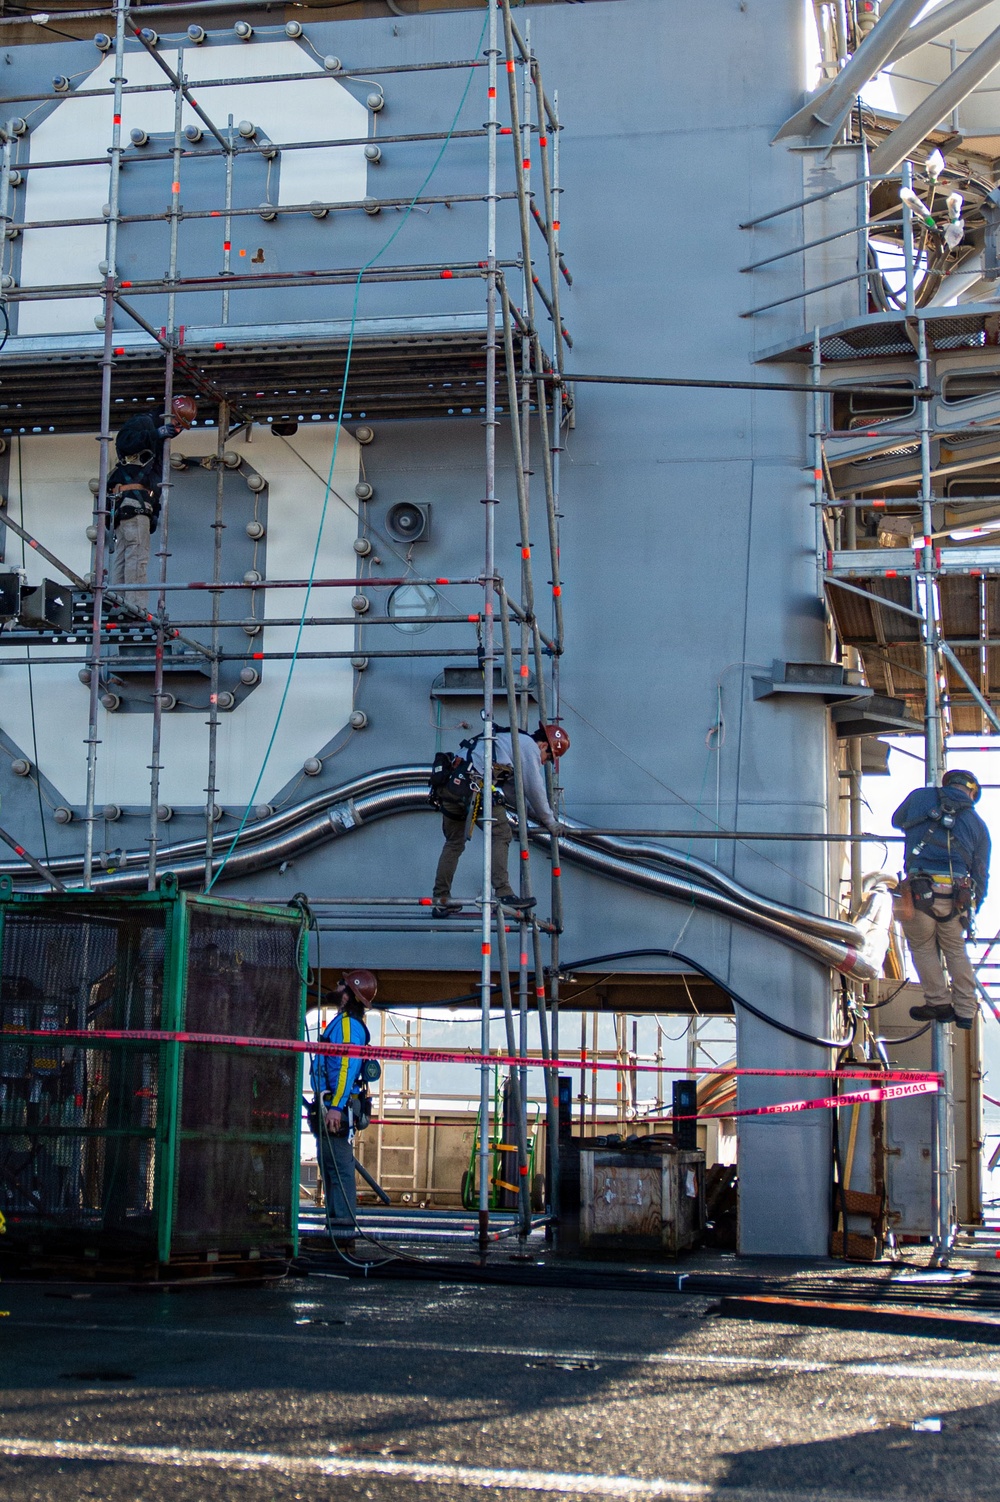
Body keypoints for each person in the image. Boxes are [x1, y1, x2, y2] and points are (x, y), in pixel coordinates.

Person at [432, 722, 569, 919]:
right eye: (547, 758)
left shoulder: (508, 743)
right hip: (474, 786)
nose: (543, 762)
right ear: (543, 745)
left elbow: (514, 793)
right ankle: (503, 893)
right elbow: (535, 789)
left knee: (454, 843)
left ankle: (440, 899)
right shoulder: (529, 746)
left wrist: (535, 815)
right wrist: (550, 821)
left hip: (452, 784)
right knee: (502, 834)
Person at [892, 768, 990, 1030]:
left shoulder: (920, 797)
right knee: (955, 949)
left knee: (922, 947)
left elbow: (897, 821)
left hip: (919, 890)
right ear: (971, 793)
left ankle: (939, 1003)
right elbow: (981, 873)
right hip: (957, 895)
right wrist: (973, 907)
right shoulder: (978, 824)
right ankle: (966, 1011)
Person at [107, 395, 197, 610]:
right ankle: (135, 607)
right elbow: (124, 442)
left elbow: (155, 481)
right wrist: (154, 434)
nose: (177, 430)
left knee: (125, 554)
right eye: (176, 423)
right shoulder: (145, 423)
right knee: (137, 556)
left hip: (132, 502)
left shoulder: (158, 443)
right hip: (133, 502)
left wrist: (155, 509)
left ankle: (118, 603)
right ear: (168, 415)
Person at [309, 969, 377, 1245]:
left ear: (349, 995)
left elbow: (346, 1066)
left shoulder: (348, 1025)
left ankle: (342, 1234)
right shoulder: (343, 1022)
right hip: (329, 1105)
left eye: (342, 985)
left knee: (338, 1170)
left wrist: (336, 1106)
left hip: (335, 1108)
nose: (336, 988)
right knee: (331, 1168)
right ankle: (335, 1232)